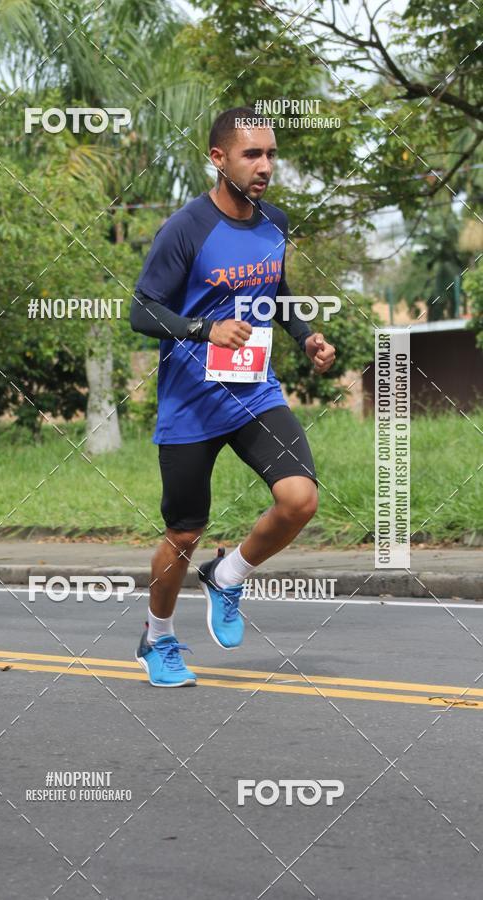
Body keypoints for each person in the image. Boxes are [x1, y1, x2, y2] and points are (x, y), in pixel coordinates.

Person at [130, 106, 336, 687]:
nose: (265, 165)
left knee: (299, 499)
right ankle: (158, 637)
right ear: (218, 159)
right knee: (184, 533)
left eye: (270, 154)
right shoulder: (185, 228)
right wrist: (204, 330)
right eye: (252, 154)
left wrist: (305, 337)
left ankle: (229, 573)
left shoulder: (275, 222)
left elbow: (277, 289)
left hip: (254, 393)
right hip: (190, 403)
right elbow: (141, 311)